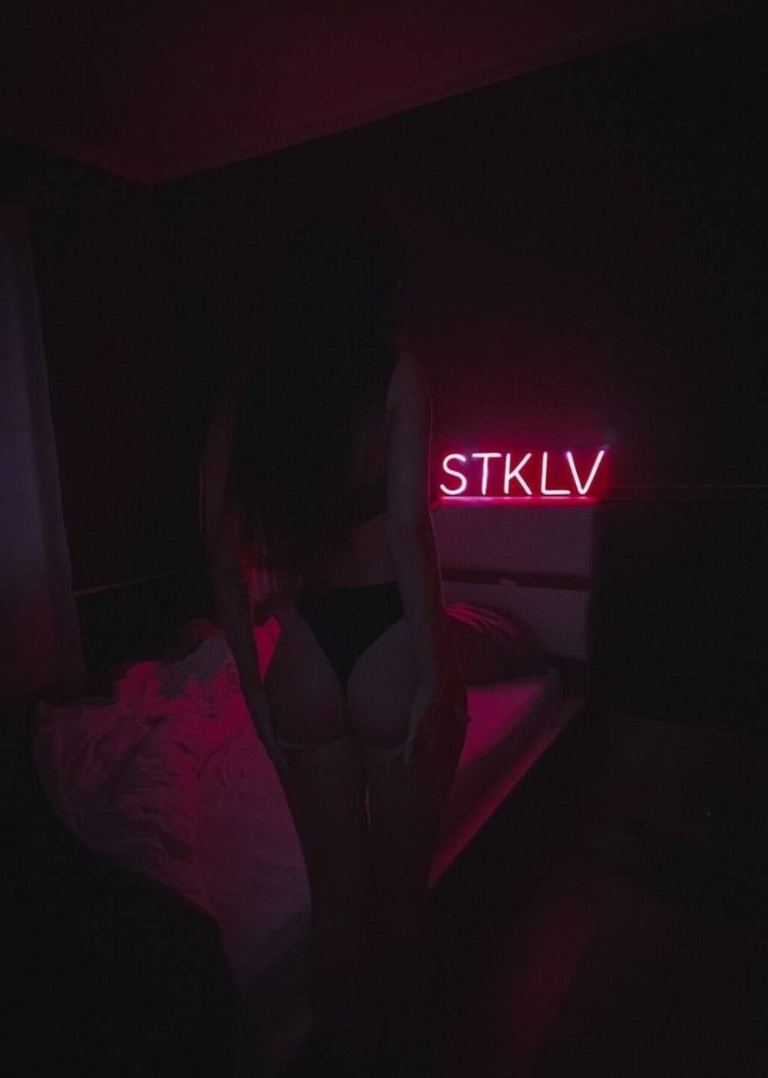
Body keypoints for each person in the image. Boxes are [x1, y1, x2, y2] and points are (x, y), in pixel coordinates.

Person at [201, 215, 469, 1075]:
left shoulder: (253, 398)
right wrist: (434, 671)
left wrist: (253, 690)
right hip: (387, 634)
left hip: (305, 654)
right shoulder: (396, 375)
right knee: (401, 895)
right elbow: (409, 533)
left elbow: (222, 558)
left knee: (336, 901)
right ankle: (407, 1056)